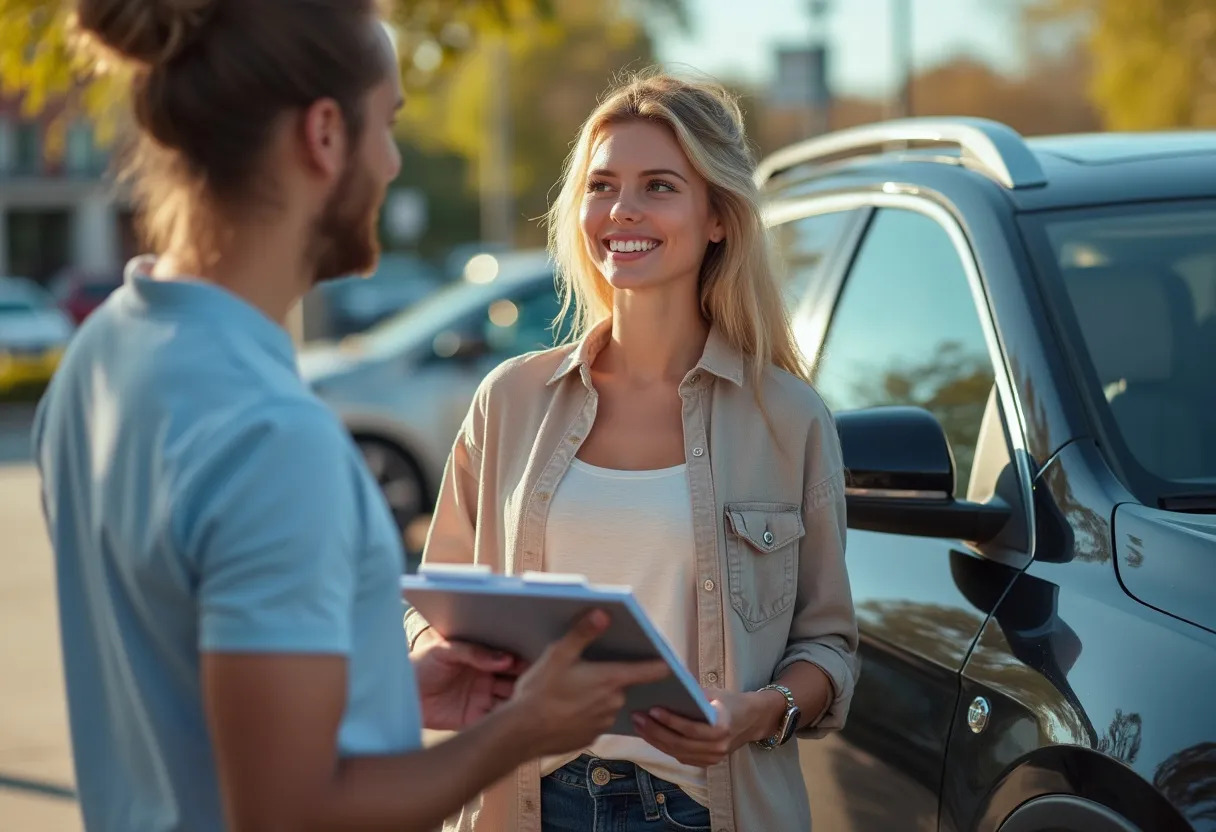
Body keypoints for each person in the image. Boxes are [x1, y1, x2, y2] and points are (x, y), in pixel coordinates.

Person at [34, 2, 669, 830]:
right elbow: (295, 814)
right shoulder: (273, 440)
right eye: (390, 123)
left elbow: (180, 688)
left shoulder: (104, 355)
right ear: (325, 134)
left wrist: (380, 681)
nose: (395, 161)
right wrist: (526, 730)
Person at [405, 71, 861, 832]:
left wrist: (758, 712)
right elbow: (436, 603)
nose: (623, 210)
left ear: (717, 216)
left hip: (699, 807)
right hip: (523, 802)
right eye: (603, 185)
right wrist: (431, 653)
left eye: (658, 186)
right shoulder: (508, 401)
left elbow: (829, 648)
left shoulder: (787, 418)